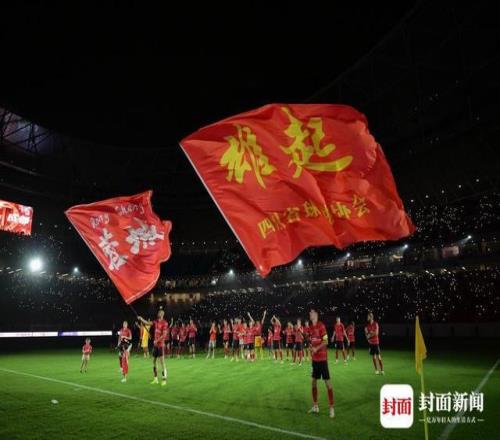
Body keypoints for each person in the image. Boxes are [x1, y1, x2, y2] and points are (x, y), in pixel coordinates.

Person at [308, 309, 334, 418]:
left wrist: (316, 349)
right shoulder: (310, 328)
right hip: (315, 360)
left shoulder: (321, 326)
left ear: (316, 314)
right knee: (313, 382)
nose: (310, 314)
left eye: (312, 312)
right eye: (309, 313)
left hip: (322, 359)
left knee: (327, 383)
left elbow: (326, 341)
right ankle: (315, 406)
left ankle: (331, 408)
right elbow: (311, 342)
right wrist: (311, 348)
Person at [138, 310, 168, 386]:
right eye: (158, 313)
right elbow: (147, 323)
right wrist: (141, 319)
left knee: (162, 362)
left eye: (159, 313)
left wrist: (157, 340)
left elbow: (164, 335)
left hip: (160, 345)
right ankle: (155, 379)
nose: (158, 314)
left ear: (162, 314)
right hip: (155, 345)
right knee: (154, 362)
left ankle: (164, 379)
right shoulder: (156, 321)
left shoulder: (165, 323)